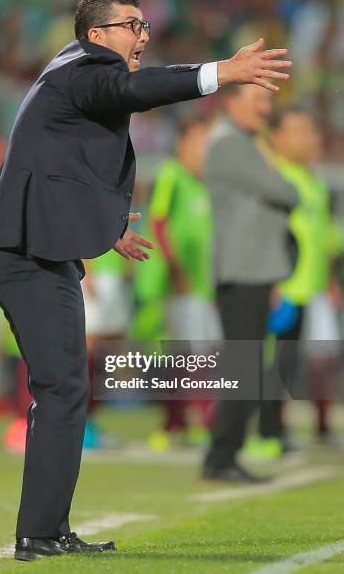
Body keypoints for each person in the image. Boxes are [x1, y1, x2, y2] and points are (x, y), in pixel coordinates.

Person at [0, 0, 292, 560]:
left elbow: (59, 166)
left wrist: (108, 229)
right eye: (130, 25)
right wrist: (220, 72)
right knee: (63, 386)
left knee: (66, 387)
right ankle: (39, 534)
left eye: (143, 25)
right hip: (24, 250)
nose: (142, 35)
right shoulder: (87, 67)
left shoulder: (70, 72)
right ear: (96, 35)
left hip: (34, 246)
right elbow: (131, 90)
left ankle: (48, 530)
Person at [202, 84, 299, 483]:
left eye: (268, 101)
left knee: (246, 365)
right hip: (242, 271)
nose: (265, 108)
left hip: (250, 270)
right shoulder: (231, 143)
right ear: (231, 103)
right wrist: (285, 186)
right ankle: (221, 457)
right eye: (257, 100)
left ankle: (224, 456)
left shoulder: (240, 142)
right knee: (243, 367)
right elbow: (284, 191)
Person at [258, 107, 344, 449]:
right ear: (277, 137)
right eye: (297, 130)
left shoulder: (314, 182)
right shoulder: (274, 178)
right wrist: (272, 281)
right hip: (283, 289)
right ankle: (266, 432)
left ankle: (289, 428)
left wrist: (329, 280)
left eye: (309, 130)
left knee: (299, 364)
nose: (308, 137)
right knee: (273, 363)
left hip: (311, 287)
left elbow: (322, 238)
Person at [132, 115, 218, 450]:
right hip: (177, 283)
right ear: (183, 144)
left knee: (196, 353)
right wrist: (175, 268)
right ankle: (188, 421)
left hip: (203, 283)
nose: (204, 150)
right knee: (188, 354)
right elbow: (159, 221)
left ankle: (180, 421)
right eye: (199, 142)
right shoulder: (172, 175)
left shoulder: (205, 183)